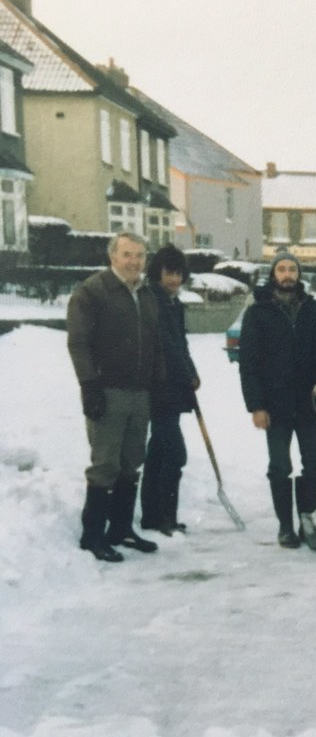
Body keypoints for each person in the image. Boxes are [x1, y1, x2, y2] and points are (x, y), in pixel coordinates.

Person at [67, 232, 164, 561]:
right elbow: (78, 343)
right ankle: (92, 536)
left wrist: (159, 382)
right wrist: (89, 385)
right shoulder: (92, 291)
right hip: (107, 391)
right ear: (113, 257)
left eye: (139, 255)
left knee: (131, 462)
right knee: (106, 463)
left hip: (140, 393)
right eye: (127, 254)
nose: (134, 261)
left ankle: (120, 529)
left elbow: (155, 342)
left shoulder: (147, 293)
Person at [239, 251, 316, 548]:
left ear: (298, 274)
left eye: (292, 269)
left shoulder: (311, 309)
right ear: (273, 275)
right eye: (281, 269)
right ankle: (285, 527)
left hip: (308, 403)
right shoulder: (258, 312)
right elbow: (249, 363)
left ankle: (308, 523)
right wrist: (256, 406)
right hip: (275, 405)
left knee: (312, 466)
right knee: (280, 466)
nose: (287, 274)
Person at [140, 244, 200, 536]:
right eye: (168, 273)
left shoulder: (173, 303)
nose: (174, 279)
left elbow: (181, 344)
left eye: (178, 274)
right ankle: (165, 517)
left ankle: (152, 516)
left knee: (158, 451)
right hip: (160, 387)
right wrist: (185, 375)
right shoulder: (153, 301)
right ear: (158, 273)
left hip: (173, 388)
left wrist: (193, 372)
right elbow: (166, 347)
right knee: (175, 454)